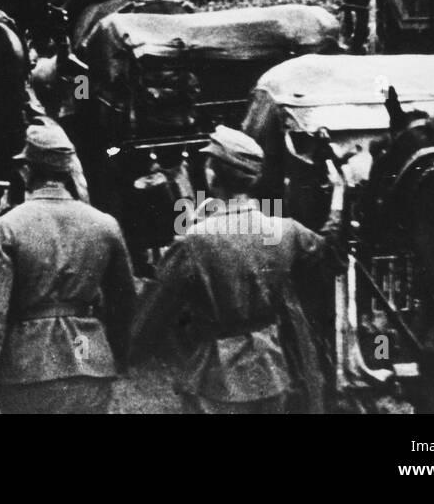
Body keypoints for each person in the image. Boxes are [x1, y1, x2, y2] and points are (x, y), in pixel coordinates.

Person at [129, 126, 345, 414]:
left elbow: (153, 315)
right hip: (273, 371)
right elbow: (332, 256)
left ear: (212, 174)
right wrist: (339, 201)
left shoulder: (194, 241)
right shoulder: (285, 230)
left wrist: (129, 350)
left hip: (215, 379)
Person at [0, 121, 134, 414]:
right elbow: (124, 301)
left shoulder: (8, 227)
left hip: (28, 369)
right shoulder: (105, 225)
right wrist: (117, 358)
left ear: (26, 171)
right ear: (69, 171)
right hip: (90, 363)